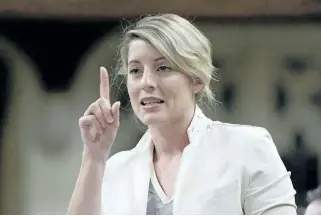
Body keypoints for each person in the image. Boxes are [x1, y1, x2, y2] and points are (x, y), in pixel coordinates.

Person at [67, 13, 297, 215]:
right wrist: (94, 157)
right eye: (135, 70)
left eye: (163, 68)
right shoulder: (116, 170)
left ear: (196, 79)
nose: (146, 82)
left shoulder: (247, 148)